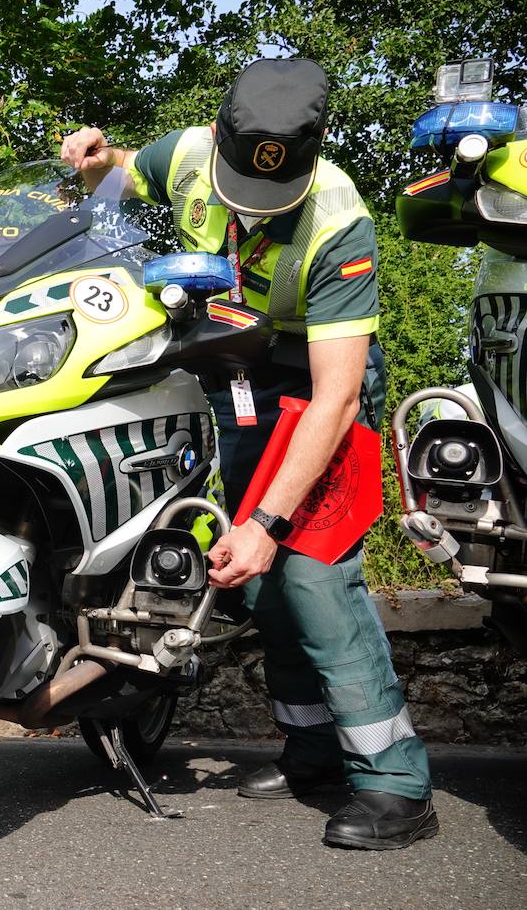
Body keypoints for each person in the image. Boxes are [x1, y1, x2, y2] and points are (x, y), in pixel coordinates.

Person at [61, 58, 437, 850]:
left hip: (319, 384)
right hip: (239, 375)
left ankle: (397, 784)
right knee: (260, 581)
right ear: (219, 137)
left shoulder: (340, 220)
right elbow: (128, 176)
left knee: (312, 569)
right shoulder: (187, 154)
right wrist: (102, 161)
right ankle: (314, 759)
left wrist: (269, 517)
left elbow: (334, 398)